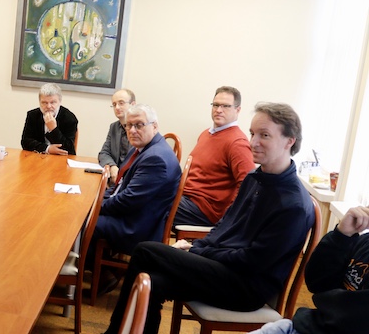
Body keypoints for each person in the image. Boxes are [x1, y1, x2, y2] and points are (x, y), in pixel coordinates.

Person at [102, 102, 315, 334]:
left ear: (289, 141)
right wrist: (197, 245)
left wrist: (198, 252)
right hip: (222, 268)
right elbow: (225, 224)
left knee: (145, 251)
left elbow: (252, 262)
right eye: (252, 133)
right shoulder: (255, 177)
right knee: (150, 280)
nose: (253, 142)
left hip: (245, 287)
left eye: (264, 135)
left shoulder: (293, 204)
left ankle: (114, 332)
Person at [91, 104, 181, 293]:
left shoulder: (155, 158)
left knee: (85, 221)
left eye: (139, 125)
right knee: (87, 212)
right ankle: (101, 271)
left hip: (138, 227)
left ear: (154, 126)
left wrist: (95, 206)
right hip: (135, 215)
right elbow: (120, 189)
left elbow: (127, 201)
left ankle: (100, 275)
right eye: (128, 125)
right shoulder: (143, 147)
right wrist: (96, 199)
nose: (132, 130)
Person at [249, 205, 369, 334]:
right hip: (298, 327)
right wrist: (342, 236)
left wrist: (328, 302)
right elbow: (317, 284)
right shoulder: (365, 243)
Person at [173, 86, 255, 227]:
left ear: (238, 110)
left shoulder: (237, 143)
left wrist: (227, 220)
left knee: (152, 201)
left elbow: (248, 185)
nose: (218, 110)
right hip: (186, 198)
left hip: (204, 210)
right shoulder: (206, 134)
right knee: (149, 191)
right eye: (216, 105)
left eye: (226, 106)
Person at [20, 82, 78, 155]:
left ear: (60, 102)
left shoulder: (69, 118)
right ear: (39, 102)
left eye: (53, 102)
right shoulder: (32, 115)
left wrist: (53, 129)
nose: (48, 106)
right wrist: (47, 149)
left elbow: (68, 149)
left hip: (60, 159)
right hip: (38, 157)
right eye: (44, 103)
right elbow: (25, 142)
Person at [98, 88, 137, 185]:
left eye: (121, 103)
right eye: (114, 104)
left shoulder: (139, 129)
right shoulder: (114, 127)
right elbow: (104, 153)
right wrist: (112, 166)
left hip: (131, 181)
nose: (117, 107)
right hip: (114, 181)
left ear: (133, 104)